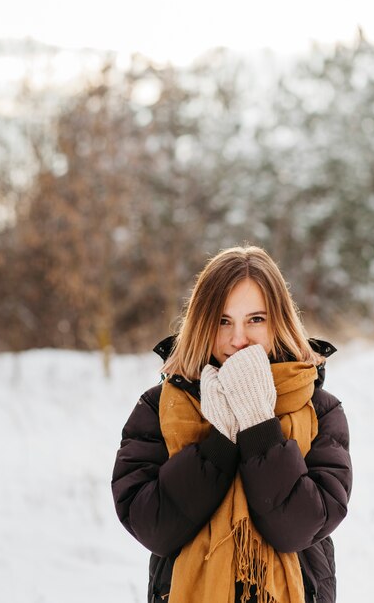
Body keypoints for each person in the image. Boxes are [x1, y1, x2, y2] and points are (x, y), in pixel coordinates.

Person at [112, 245, 352, 603]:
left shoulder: (318, 409)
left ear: (279, 321)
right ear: (202, 323)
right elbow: (154, 528)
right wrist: (220, 442)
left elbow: (298, 528)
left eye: (256, 319)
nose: (238, 339)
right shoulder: (160, 408)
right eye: (223, 321)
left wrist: (257, 423)